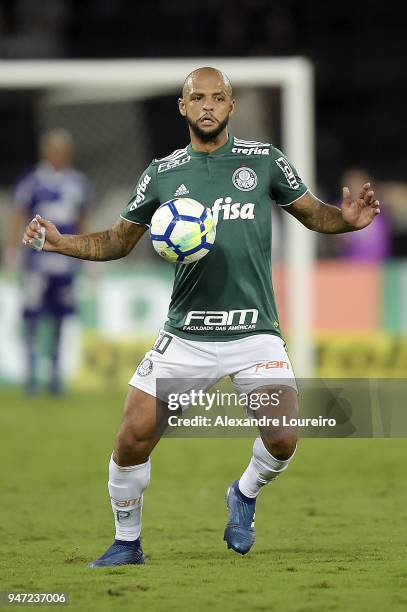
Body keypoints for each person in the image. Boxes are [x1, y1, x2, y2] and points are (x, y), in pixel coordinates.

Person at [22, 67, 380, 566]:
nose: (208, 105)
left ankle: (245, 493)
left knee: (282, 436)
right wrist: (62, 243)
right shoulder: (163, 173)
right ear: (183, 107)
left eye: (218, 98)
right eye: (198, 97)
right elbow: (117, 241)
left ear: (231, 107)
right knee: (131, 437)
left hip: (254, 330)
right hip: (187, 335)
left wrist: (344, 221)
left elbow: (314, 213)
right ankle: (127, 543)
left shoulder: (264, 161)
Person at [10, 128, 93, 394]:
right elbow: (18, 214)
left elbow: (83, 219)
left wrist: (89, 254)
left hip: (66, 263)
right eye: (54, 150)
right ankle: (32, 376)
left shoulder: (77, 183)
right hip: (37, 264)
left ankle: (56, 376)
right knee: (33, 319)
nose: (59, 155)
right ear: (46, 152)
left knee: (60, 319)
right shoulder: (32, 181)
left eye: (63, 150)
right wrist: (12, 249)